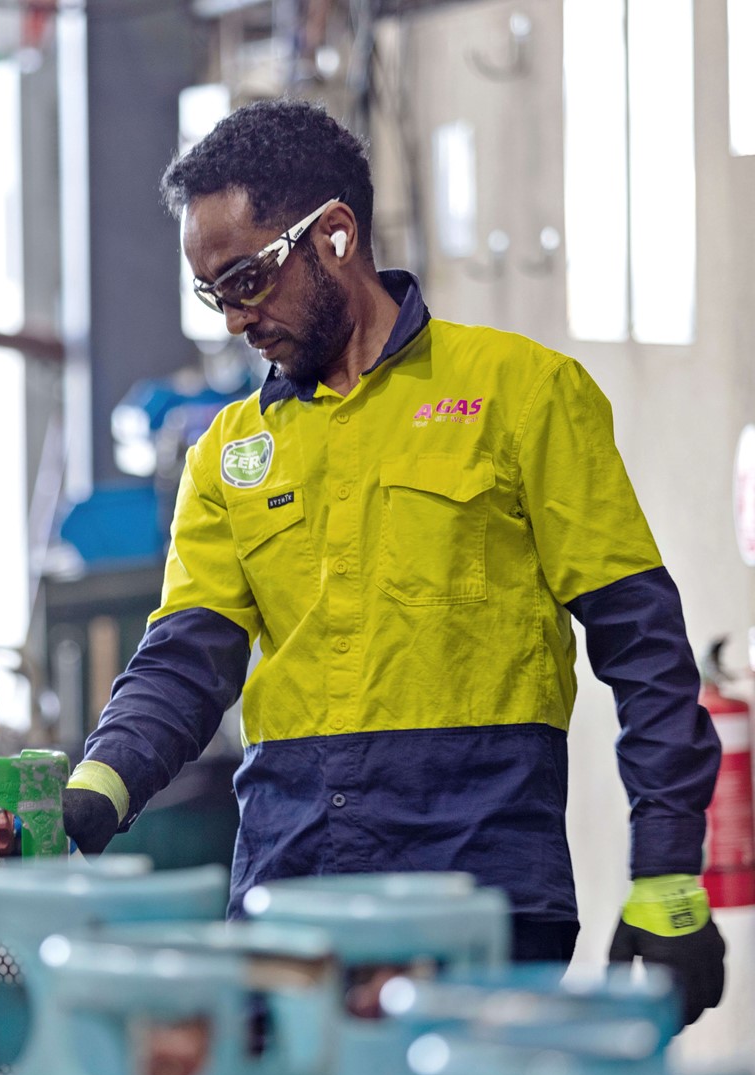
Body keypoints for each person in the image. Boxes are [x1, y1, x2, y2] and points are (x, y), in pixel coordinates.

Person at [60, 98, 725, 1023]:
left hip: (482, 892)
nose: (235, 320)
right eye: (216, 294)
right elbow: (187, 656)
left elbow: (645, 650)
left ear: (333, 235)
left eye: (248, 279)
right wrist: (97, 788)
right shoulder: (229, 453)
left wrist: (666, 869)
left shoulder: (522, 395)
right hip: (290, 894)